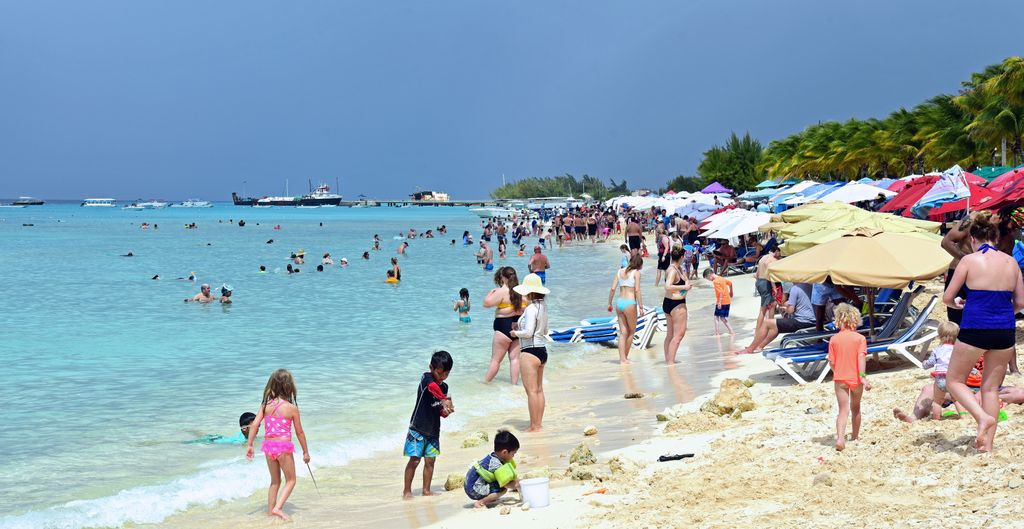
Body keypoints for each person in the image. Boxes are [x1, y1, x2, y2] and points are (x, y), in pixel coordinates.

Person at [943, 211, 1024, 452]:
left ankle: (981, 417)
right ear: (996, 239)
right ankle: (986, 446)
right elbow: (1020, 303)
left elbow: (948, 297)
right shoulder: (1011, 262)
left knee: (954, 380)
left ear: (975, 239)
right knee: (990, 388)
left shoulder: (969, 260)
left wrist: (958, 304)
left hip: (975, 328)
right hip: (1005, 331)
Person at [245, 369, 310, 521]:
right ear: (289, 387)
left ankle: (270, 514)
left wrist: (250, 445)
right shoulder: (291, 408)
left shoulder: (265, 405)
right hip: (283, 447)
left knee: (275, 481)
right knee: (291, 480)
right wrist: (305, 452)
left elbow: (254, 425)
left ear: (272, 384)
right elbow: (299, 432)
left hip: (268, 447)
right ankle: (277, 508)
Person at [894, 322, 970, 423]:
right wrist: (973, 370)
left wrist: (924, 364)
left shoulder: (937, 350)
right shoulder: (958, 350)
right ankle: (963, 417)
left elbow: (929, 363)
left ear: (939, 336)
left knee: (937, 401)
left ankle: (936, 419)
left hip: (941, 380)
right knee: (955, 398)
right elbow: (965, 363)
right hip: (954, 380)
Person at [403, 351, 454, 499]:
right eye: (439, 373)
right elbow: (433, 388)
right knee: (415, 460)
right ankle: (407, 491)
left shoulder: (444, 387)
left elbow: (440, 411)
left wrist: (446, 411)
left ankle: (426, 490)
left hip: (433, 430)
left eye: (446, 374)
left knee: (430, 461)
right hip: (417, 428)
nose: (442, 377)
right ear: (431, 368)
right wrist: (445, 399)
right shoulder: (426, 378)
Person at [826, 304, 872, 451]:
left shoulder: (834, 339)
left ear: (838, 320)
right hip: (856, 378)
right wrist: (862, 377)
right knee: (856, 408)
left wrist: (837, 371)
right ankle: (855, 436)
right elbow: (861, 358)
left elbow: (831, 362)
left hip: (840, 379)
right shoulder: (859, 339)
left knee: (843, 410)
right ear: (855, 319)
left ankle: (840, 438)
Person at [512, 274, 550, 431]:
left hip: (529, 352)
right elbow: (545, 330)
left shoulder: (530, 308)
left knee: (531, 392)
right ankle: (538, 423)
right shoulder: (543, 307)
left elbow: (527, 333)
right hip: (542, 350)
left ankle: (534, 426)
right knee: (539, 390)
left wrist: (515, 333)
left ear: (530, 292)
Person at [737, 283, 815, 354]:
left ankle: (750, 349)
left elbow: (791, 310)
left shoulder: (795, 288)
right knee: (775, 327)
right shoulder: (809, 285)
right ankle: (759, 346)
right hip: (813, 321)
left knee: (767, 323)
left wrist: (785, 309)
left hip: (802, 321)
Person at [483, 267, 524, 384]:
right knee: (515, 359)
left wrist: (490, 293)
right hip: (517, 327)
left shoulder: (501, 291)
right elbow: (527, 305)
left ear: (504, 278)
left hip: (502, 328)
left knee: (495, 360)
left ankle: (485, 384)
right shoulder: (521, 291)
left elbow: (486, 303)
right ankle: (514, 385)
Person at [464, 431, 520, 508]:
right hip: (474, 490)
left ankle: (488, 496)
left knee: (501, 484)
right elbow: (506, 484)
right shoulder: (496, 464)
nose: (513, 456)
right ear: (504, 452)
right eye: (513, 454)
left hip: (470, 484)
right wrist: (518, 485)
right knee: (502, 489)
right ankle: (481, 502)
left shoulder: (494, 455)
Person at [608, 254, 644, 364]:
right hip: (630, 303)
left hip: (619, 303)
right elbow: (637, 290)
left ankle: (622, 359)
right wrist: (641, 306)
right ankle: (625, 358)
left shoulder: (620, 271)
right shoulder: (636, 273)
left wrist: (609, 303)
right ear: (639, 265)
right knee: (632, 331)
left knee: (623, 332)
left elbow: (613, 288)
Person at [662, 247, 691, 364]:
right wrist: (684, 287)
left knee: (670, 335)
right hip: (676, 304)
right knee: (678, 335)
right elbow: (668, 286)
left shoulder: (675, 268)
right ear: (681, 257)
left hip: (669, 302)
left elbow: (684, 282)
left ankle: (668, 360)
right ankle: (670, 363)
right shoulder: (673, 270)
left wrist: (686, 286)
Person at [754, 246, 780, 332]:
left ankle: (769, 324)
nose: (780, 255)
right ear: (776, 251)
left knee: (771, 304)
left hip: (759, 282)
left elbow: (756, 274)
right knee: (764, 308)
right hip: (765, 282)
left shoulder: (763, 257)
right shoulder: (771, 259)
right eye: (779, 253)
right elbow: (770, 274)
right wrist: (774, 287)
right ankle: (762, 328)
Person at [187, 412, 255, 445]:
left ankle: (191, 430)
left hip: (220, 437)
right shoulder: (239, 441)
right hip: (212, 441)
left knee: (202, 435)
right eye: (255, 426)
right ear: (244, 429)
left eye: (258, 425)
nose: (257, 428)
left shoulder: (247, 434)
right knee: (189, 442)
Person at [704, 269, 735, 335]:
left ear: (709, 275)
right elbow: (730, 283)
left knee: (717, 317)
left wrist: (720, 302)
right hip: (727, 300)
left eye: (707, 278)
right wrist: (731, 292)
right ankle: (730, 331)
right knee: (722, 317)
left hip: (722, 301)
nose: (709, 280)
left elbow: (720, 292)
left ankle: (719, 333)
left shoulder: (715, 281)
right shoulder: (721, 278)